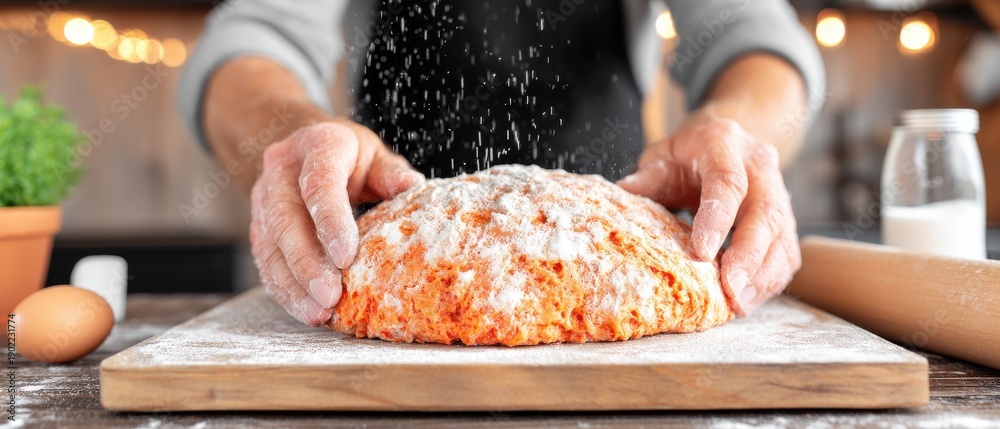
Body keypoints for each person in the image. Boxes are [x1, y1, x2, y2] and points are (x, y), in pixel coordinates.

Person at [179, 0, 825, 326]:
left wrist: (738, 130)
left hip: (616, 251)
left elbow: (756, 38)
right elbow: (253, 40)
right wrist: (298, 135)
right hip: (386, 249)